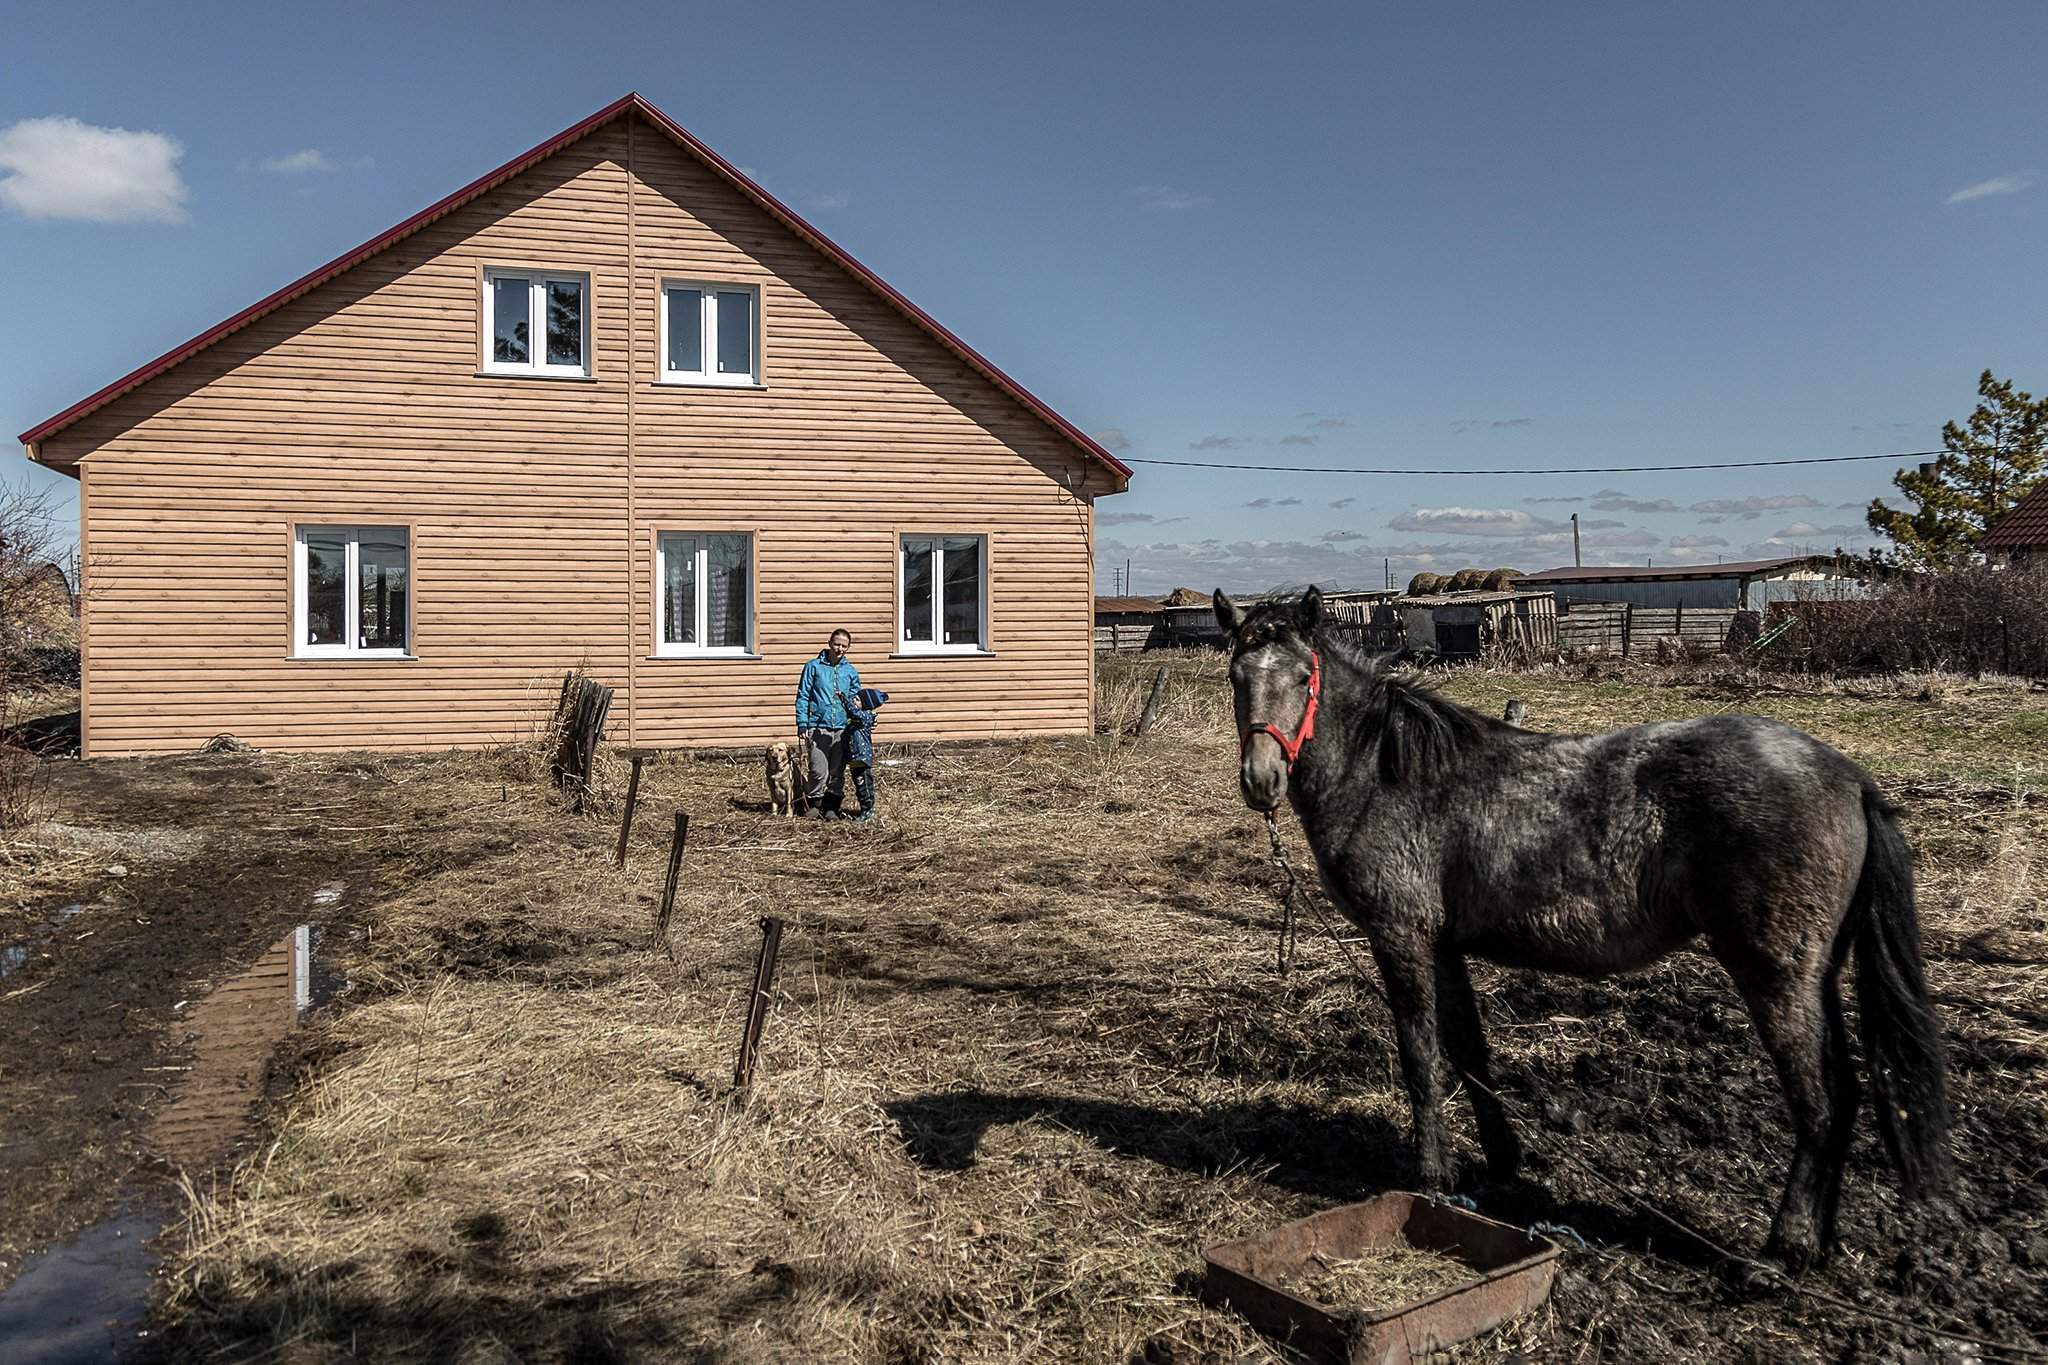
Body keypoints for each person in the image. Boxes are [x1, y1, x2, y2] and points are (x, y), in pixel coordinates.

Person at [794, 628, 860, 819]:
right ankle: (815, 804)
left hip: (841, 728)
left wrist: (855, 722)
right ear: (829, 643)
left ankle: (832, 806)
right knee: (817, 769)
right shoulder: (813, 667)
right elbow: (803, 696)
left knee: (837, 770)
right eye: (836, 644)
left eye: (844, 646)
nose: (839, 648)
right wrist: (802, 723)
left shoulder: (850, 671)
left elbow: (855, 700)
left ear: (848, 648)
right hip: (817, 726)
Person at [843, 686, 889, 822]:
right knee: (858, 782)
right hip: (855, 757)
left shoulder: (865, 716)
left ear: (865, 705)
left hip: (862, 758)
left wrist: (844, 700)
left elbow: (853, 711)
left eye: (856, 699)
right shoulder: (856, 720)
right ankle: (863, 808)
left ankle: (868, 809)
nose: (853, 700)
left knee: (864, 783)